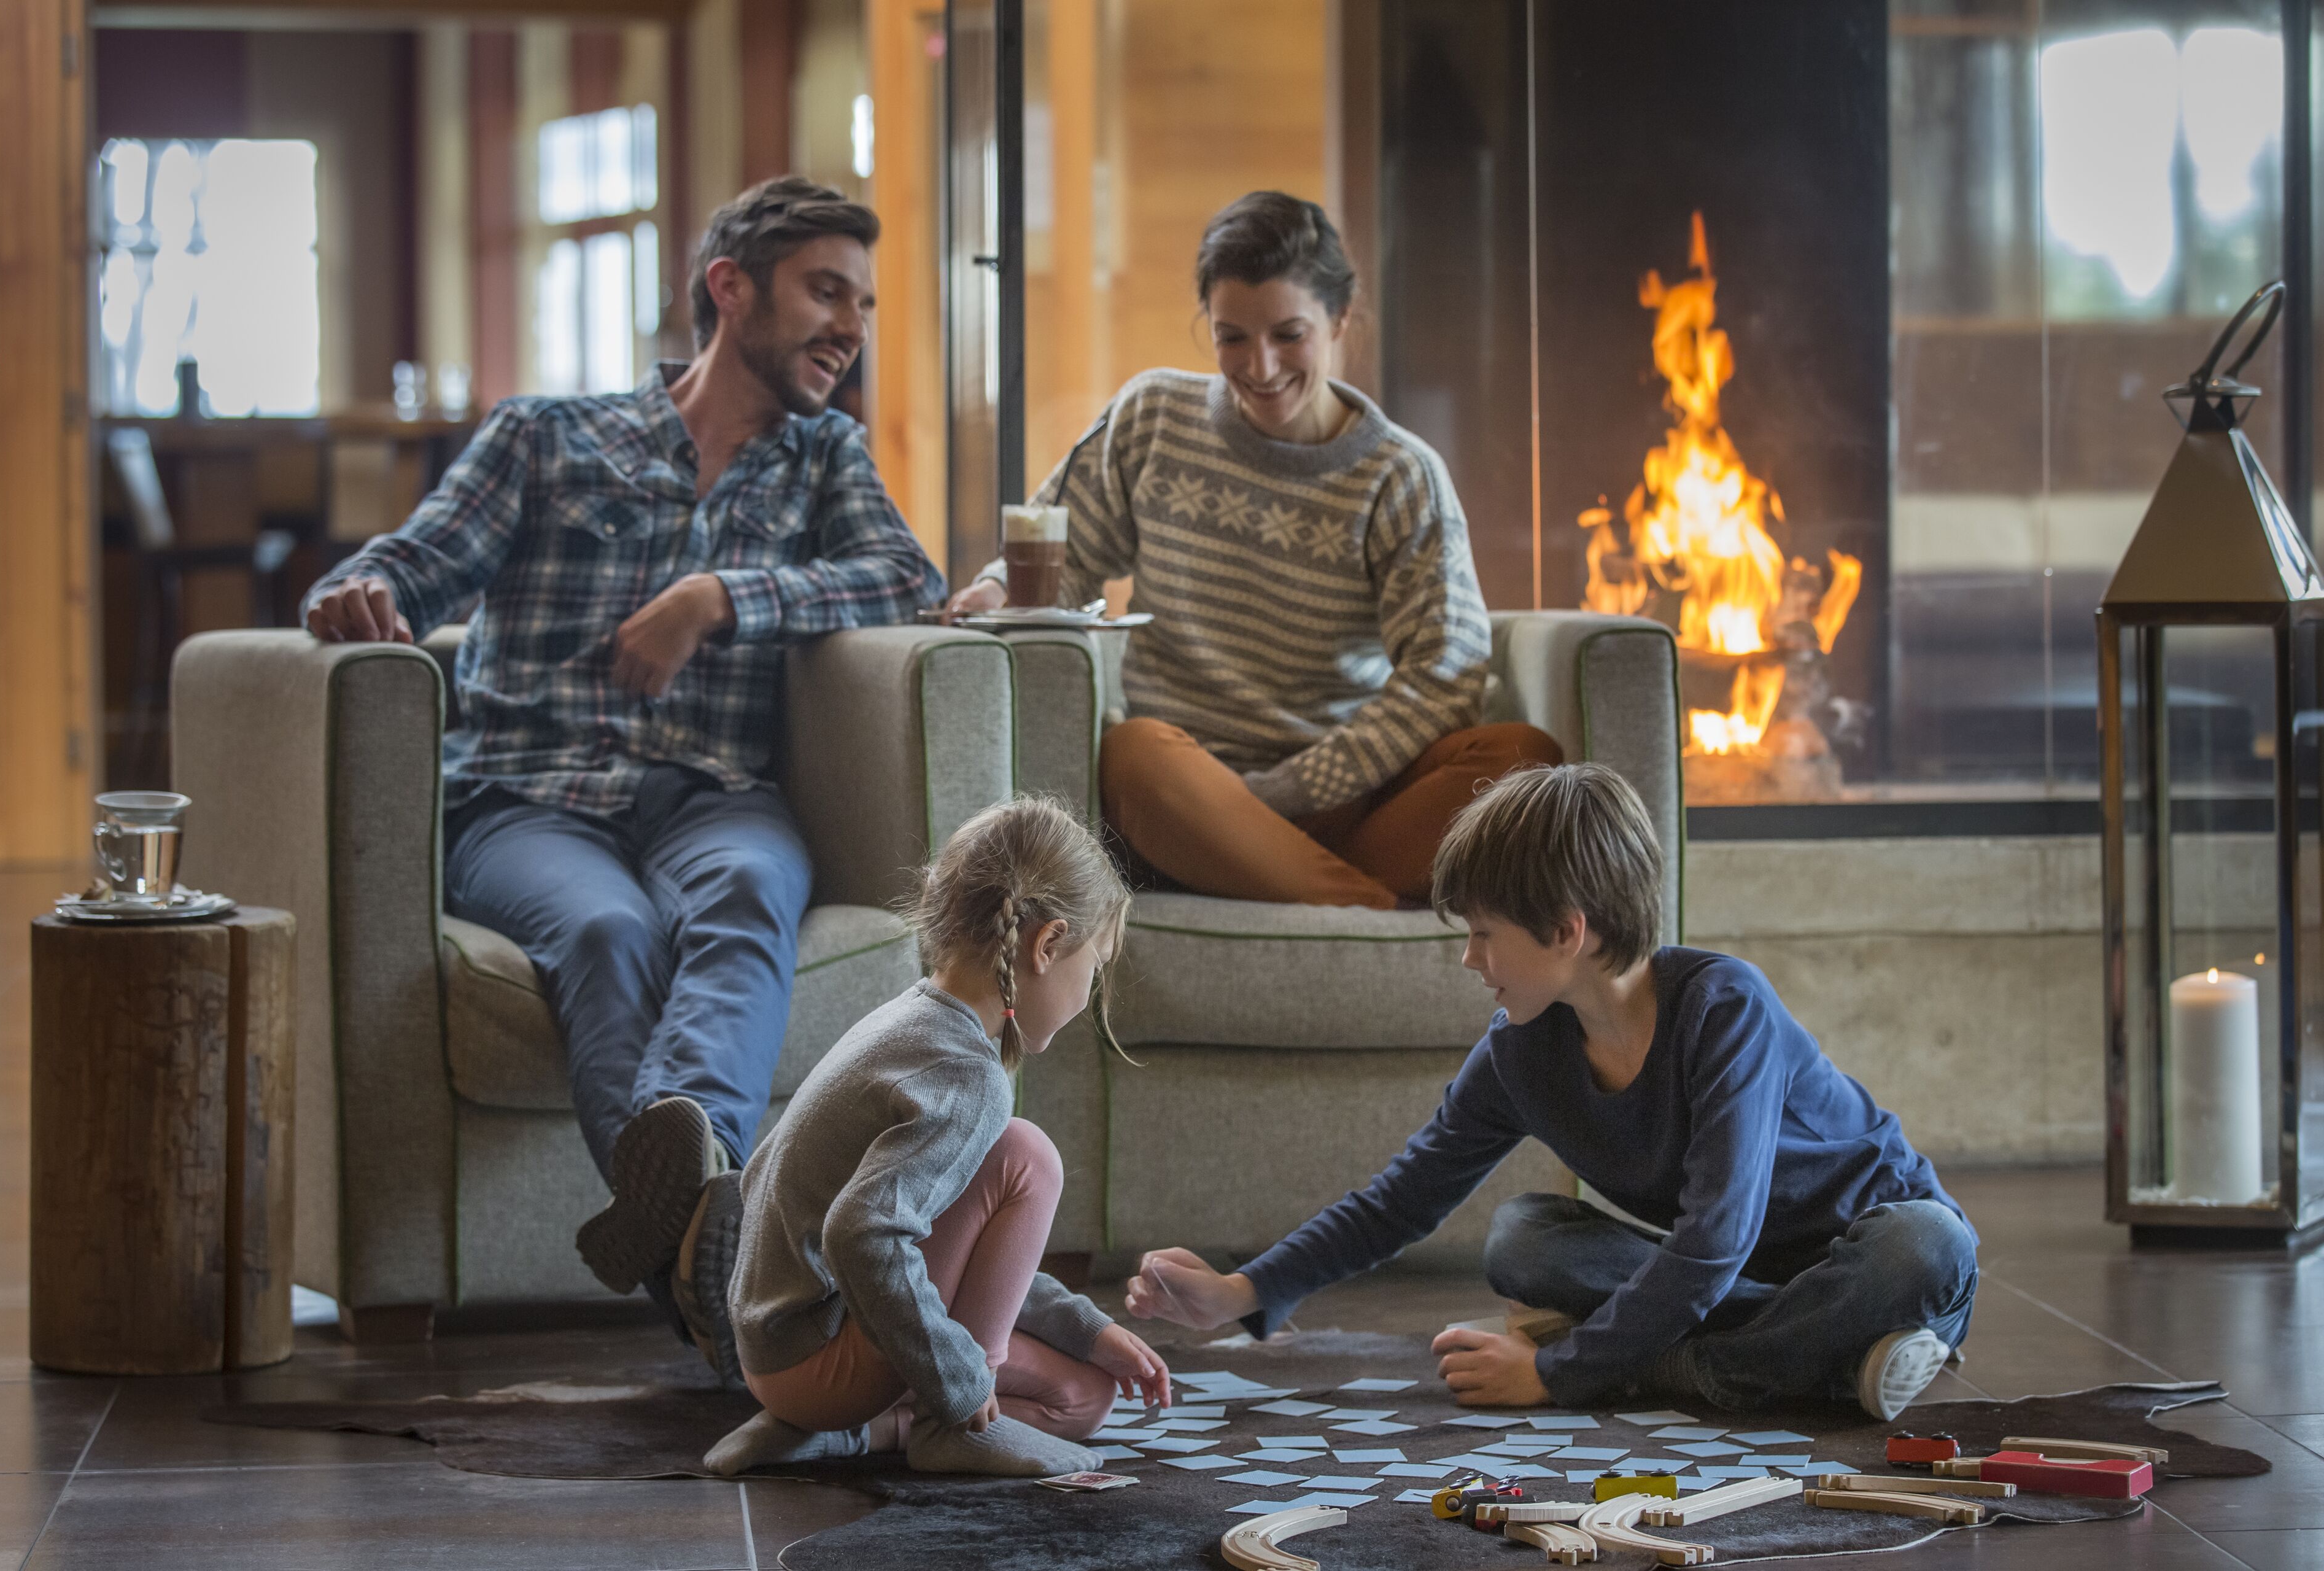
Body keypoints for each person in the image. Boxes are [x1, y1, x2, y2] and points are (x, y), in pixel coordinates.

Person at [300, 177, 945, 1324]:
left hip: (714, 798)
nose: (852, 326)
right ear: (730, 288)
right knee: (608, 931)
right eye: (826, 291)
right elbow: (407, 566)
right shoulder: (548, 436)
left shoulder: (825, 462)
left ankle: (686, 1211)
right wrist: (361, 596)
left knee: (751, 884)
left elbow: (907, 580)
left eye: (864, 302)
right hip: (526, 802)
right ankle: (717, 1255)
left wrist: (717, 595)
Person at [1121, 762, 1979, 1419]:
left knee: (1927, 1243)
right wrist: (1243, 1289)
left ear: (1568, 930)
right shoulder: (1523, 1049)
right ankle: (1819, 1355)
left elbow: (1716, 1235)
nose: (1470, 958)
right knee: (1525, 1237)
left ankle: (1667, 1360)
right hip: (1740, 1276)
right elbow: (1403, 1197)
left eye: (1484, 933)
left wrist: (1555, 1371)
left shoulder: (1725, 1008)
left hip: (1867, 1249)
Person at [944, 190, 1557, 909]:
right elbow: (1065, 548)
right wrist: (994, 588)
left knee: (1526, 761)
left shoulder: (1399, 474)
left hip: (1350, 800)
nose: (1260, 367)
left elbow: (1446, 675)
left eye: (1289, 335)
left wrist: (1287, 791)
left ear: (1340, 320)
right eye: (1232, 337)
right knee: (1132, 754)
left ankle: (1288, 881)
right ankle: (1367, 915)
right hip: (1187, 796)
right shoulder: (1153, 416)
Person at [696, 797, 1170, 1478]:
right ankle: (949, 1430)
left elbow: (954, 1246)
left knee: (1083, 1397)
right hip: (820, 1356)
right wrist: (961, 1389)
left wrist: (1087, 1330)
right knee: (1027, 1156)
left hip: (780, 1352)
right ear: (1047, 945)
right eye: (1094, 966)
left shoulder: (910, 1022)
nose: (1089, 991)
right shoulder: (965, 1072)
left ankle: (856, 1433)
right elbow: (862, 1234)